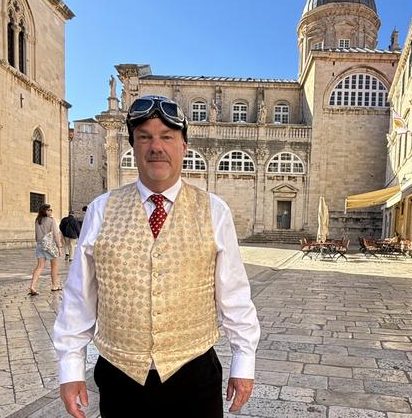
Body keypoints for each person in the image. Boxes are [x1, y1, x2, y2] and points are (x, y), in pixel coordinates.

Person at [53, 95, 260, 418]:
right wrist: (70, 368)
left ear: (184, 147)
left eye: (167, 137)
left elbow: (234, 294)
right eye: (144, 137)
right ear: (133, 147)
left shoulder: (214, 211)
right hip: (121, 377)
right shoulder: (101, 210)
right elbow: (79, 296)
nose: (156, 147)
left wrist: (243, 361)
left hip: (194, 374)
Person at [29, 204, 63, 295]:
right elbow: (56, 234)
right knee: (54, 266)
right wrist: (59, 247)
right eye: (49, 210)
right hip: (50, 246)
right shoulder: (51, 220)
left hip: (40, 245)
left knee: (39, 266)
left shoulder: (37, 220)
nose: (51, 211)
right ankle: (55, 285)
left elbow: (36, 235)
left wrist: (39, 242)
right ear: (45, 211)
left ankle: (32, 286)